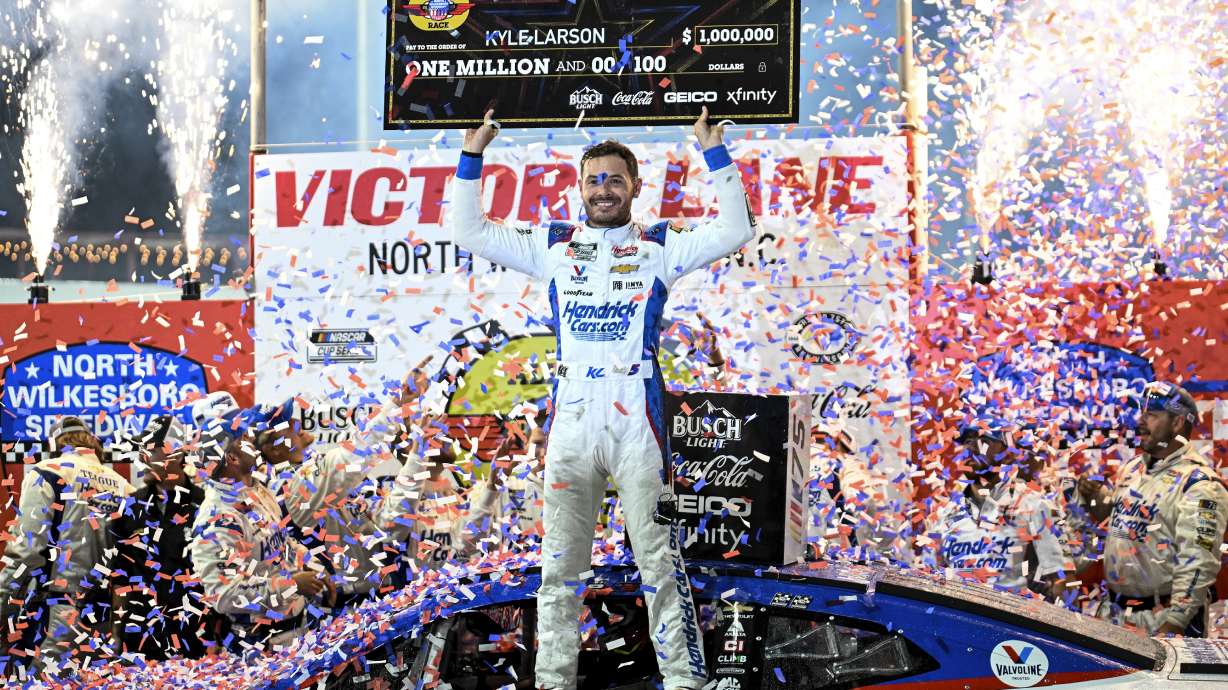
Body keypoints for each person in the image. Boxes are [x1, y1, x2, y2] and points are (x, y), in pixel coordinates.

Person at [453, 106, 757, 690]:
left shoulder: (660, 245)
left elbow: (736, 230)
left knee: (659, 566)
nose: (604, 189)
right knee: (558, 572)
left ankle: (685, 684)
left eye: (615, 179)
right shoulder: (554, 245)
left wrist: (712, 149)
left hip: (638, 423)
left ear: (635, 188)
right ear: (579, 188)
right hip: (571, 422)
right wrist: (473, 154)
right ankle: (552, 683)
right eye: (594, 179)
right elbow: (468, 232)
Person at [187, 392, 334, 653]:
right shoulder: (216, 517)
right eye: (243, 438)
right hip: (259, 644)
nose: (253, 439)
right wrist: (292, 584)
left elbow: (283, 542)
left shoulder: (257, 488)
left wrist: (314, 568)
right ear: (231, 458)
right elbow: (224, 595)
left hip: (297, 628)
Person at [1078, 381, 1228, 637]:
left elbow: (1198, 563)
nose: (1141, 420)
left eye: (1152, 415)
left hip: (1161, 619)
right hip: (1113, 612)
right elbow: (1125, 520)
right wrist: (1097, 500)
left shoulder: (1200, 484)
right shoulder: (1134, 467)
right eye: (1142, 412)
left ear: (1178, 423)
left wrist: (1175, 624)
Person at [0, 417, 133, 674]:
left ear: (55, 444)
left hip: (54, 619)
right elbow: (129, 566)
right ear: (92, 442)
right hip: (102, 623)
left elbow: (26, 553)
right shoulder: (124, 486)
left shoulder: (47, 471)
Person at [929, 419, 1074, 602]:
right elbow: (930, 577)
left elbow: (1063, 580)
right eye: (966, 441)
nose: (971, 447)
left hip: (1012, 623)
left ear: (1007, 454)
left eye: (983, 440)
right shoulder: (945, 513)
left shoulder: (1035, 505)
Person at [111, 415, 208, 659]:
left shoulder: (205, 505)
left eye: (151, 451)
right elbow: (120, 577)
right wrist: (116, 634)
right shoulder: (130, 507)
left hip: (193, 638)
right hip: (140, 639)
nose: (142, 458)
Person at [470, 410, 548, 554]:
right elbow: (468, 542)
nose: (544, 452)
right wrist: (491, 487)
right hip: (508, 575)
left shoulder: (571, 492)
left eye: (551, 444)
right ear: (526, 445)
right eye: (537, 444)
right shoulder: (503, 486)